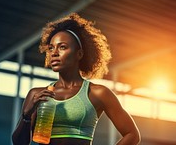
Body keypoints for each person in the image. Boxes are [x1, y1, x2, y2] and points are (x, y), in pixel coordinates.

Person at [12, 13, 141, 145]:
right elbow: (19, 143)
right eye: (51, 48)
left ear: (79, 54)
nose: (54, 53)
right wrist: (26, 116)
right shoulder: (36, 95)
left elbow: (132, 135)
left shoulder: (98, 93)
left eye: (62, 47)